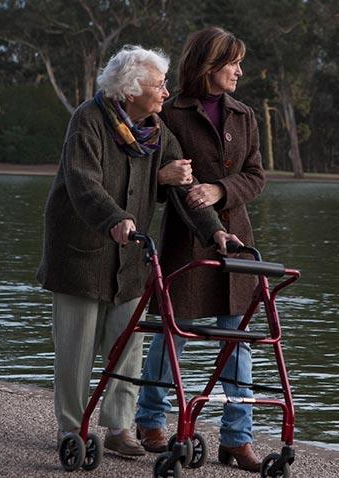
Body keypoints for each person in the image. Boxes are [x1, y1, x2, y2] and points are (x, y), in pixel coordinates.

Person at [36, 45, 236, 458]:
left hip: (130, 257)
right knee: (75, 349)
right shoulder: (88, 121)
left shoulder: (157, 131)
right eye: (159, 86)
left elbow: (183, 186)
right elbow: (83, 182)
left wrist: (215, 232)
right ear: (130, 91)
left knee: (127, 347)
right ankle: (72, 428)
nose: (166, 93)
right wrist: (114, 217)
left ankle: (118, 427)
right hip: (81, 252)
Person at [135, 27, 266, 472]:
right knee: (173, 337)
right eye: (233, 63)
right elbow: (150, 176)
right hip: (184, 242)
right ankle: (150, 421)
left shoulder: (245, 115)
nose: (240, 71)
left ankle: (236, 438)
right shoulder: (168, 113)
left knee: (240, 341)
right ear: (210, 65)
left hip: (236, 244)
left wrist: (219, 189)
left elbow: (255, 176)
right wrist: (171, 181)